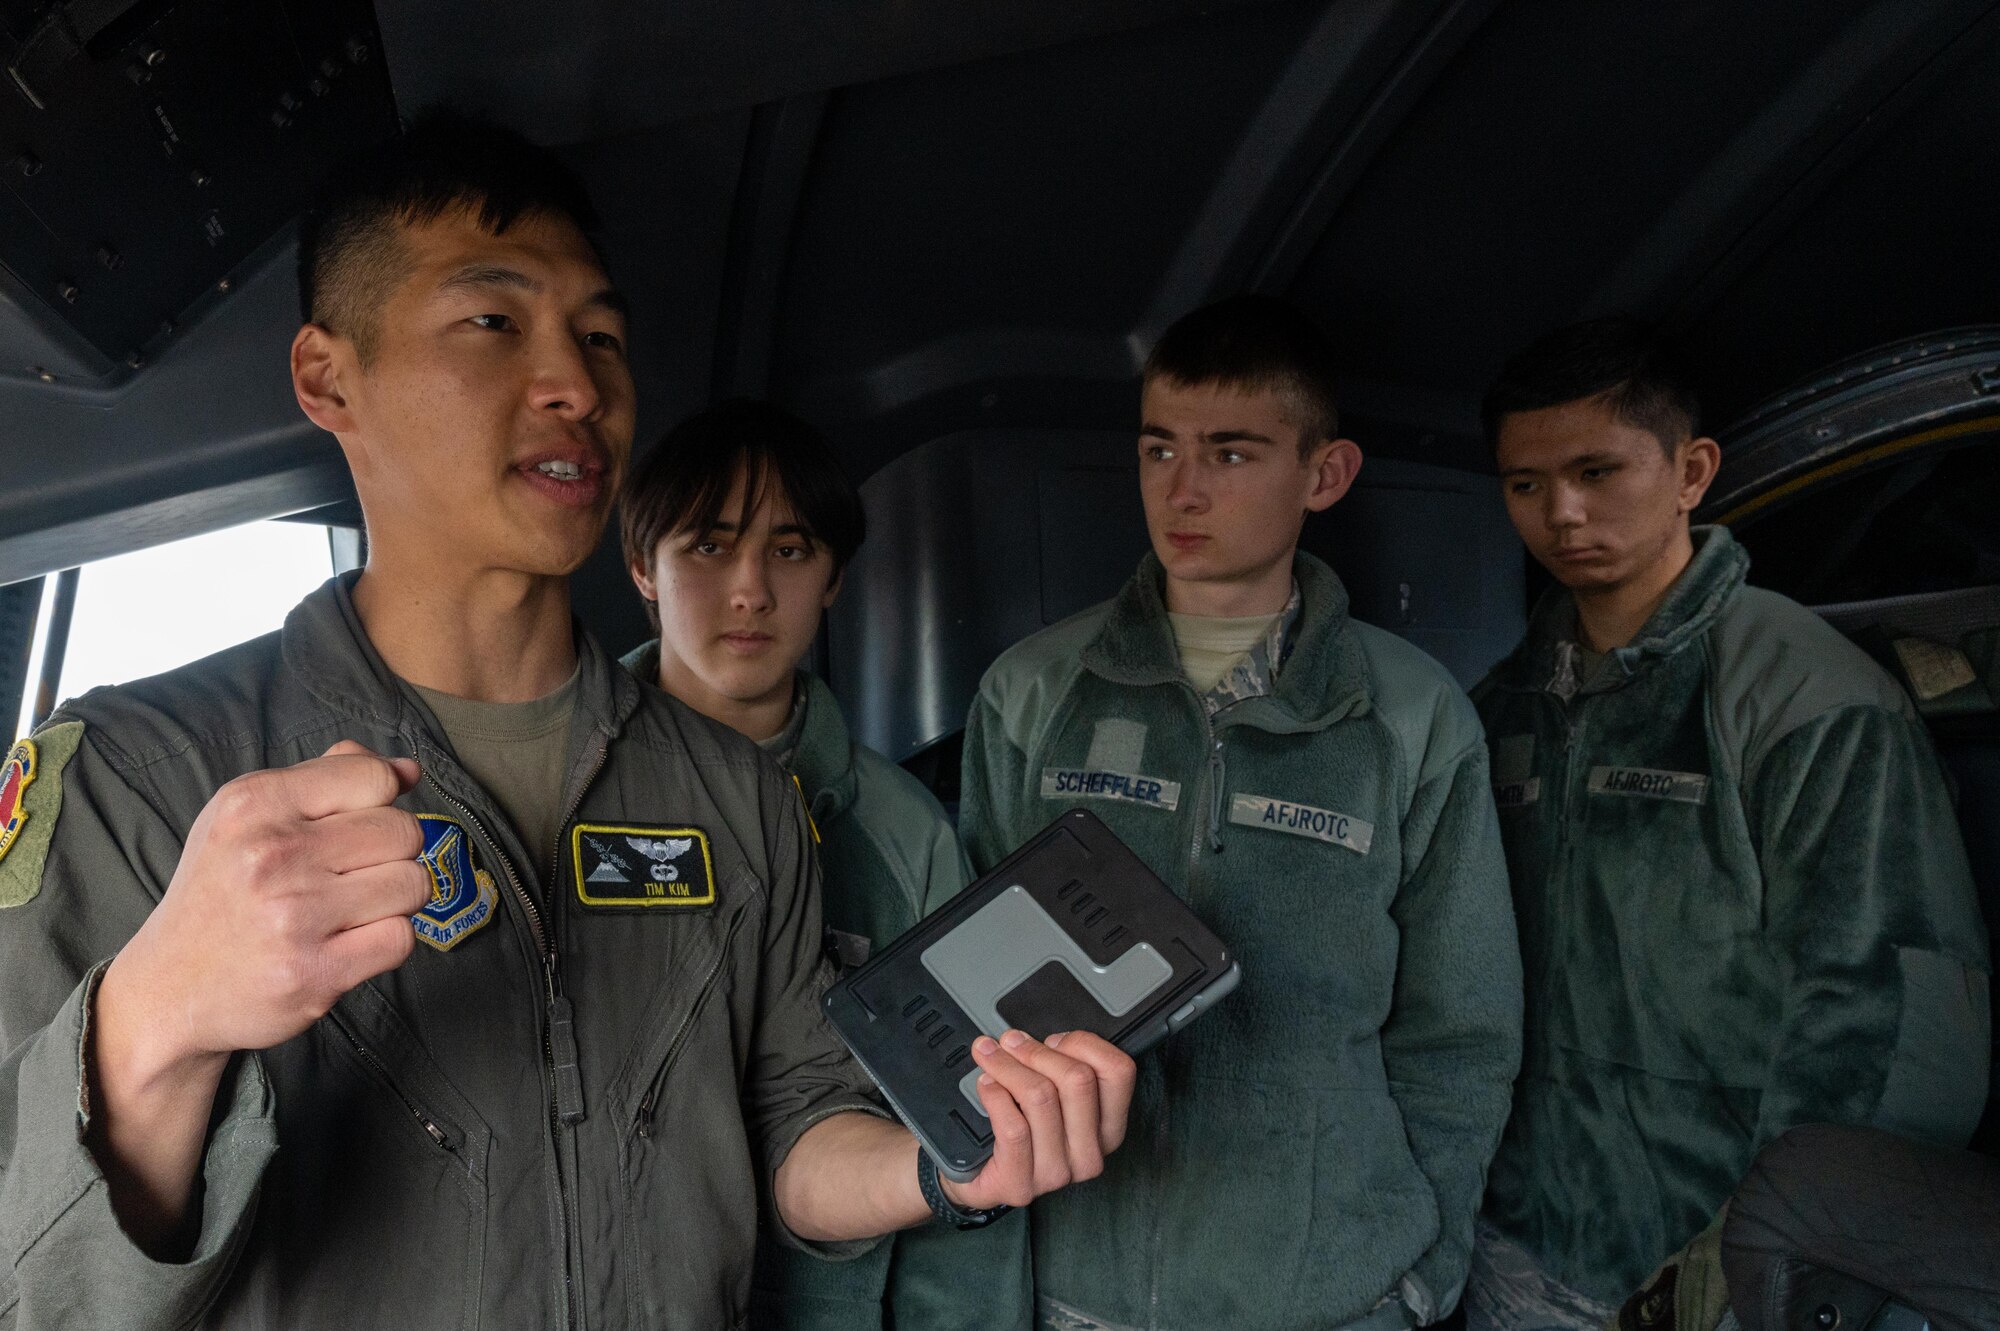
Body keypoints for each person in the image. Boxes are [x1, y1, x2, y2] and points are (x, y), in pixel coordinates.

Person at [0, 114, 1133, 1329]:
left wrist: (947, 1162)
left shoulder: (731, 790)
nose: (578, 385)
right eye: (494, 322)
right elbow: (37, 1280)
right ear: (330, 376)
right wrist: (158, 1014)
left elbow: (791, 1121)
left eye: (601, 337)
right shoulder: (142, 774)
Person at [958, 294, 1524, 1331]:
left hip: (1327, 1297)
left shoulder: (1408, 715)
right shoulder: (1034, 693)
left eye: (1228, 454)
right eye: (1158, 448)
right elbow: (965, 1003)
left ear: (1324, 474)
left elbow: (1463, 1031)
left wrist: (1417, 1270)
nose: (1181, 487)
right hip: (1079, 1293)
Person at [1467, 316, 1992, 1331]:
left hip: (1719, 1268)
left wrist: (1770, 1256)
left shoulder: (1802, 696)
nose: (1560, 512)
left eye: (1595, 469)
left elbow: (1879, 1017)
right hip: (1518, 1250)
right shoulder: (1499, 708)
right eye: (1523, 483)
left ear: (1690, 470)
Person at [618, 398, 1033, 1330]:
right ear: (644, 566)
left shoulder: (903, 833)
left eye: (791, 550)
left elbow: (966, 1128)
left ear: (835, 574)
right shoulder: (560, 794)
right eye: (709, 546)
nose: (752, 588)